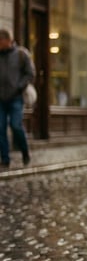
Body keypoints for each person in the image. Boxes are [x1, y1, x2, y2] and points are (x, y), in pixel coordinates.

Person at [0, 28, 35, 168]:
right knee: (0, 128)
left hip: (15, 98)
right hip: (0, 99)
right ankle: (5, 159)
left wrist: (19, 87)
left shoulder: (21, 54)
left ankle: (25, 151)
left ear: (8, 40)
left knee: (16, 125)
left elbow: (30, 73)